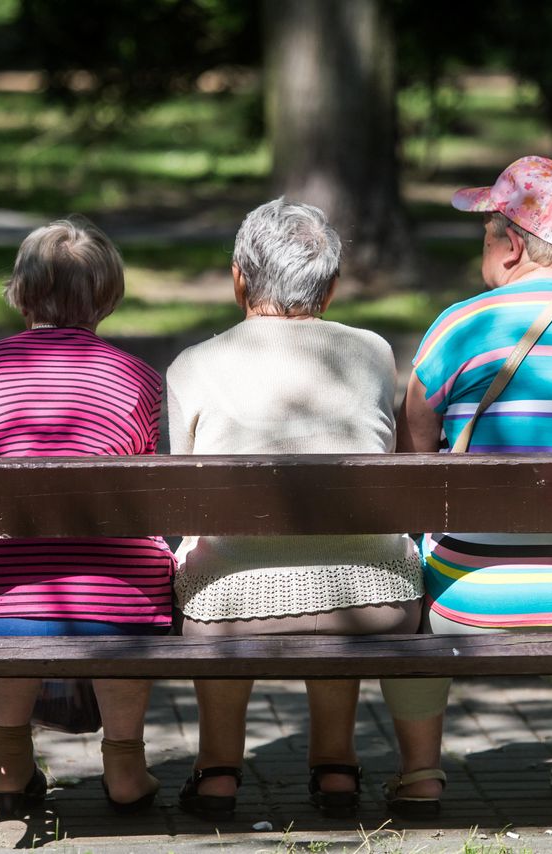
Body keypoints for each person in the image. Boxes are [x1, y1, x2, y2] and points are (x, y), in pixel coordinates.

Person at [380, 157, 552, 816]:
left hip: (470, 598)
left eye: (486, 231)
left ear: (510, 244)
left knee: (403, 572)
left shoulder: (461, 326)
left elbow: (410, 457)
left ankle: (422, 771)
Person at [166, 198, 423, 821]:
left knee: (216, 564)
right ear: (330, 288)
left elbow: (179, 503)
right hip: (376, 602)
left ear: (238, 278)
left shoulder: (192, 365)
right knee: (340, 557)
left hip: (230, 609)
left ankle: (219, 771)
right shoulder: (371, 353)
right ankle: (335, 767)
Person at [0, 217, 174, 817]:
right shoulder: (139, 377)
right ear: (107, 296)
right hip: (115, 606)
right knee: (130, 577)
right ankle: (125, 764)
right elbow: (135, 479)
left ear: (22, 291)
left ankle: (8, 758)